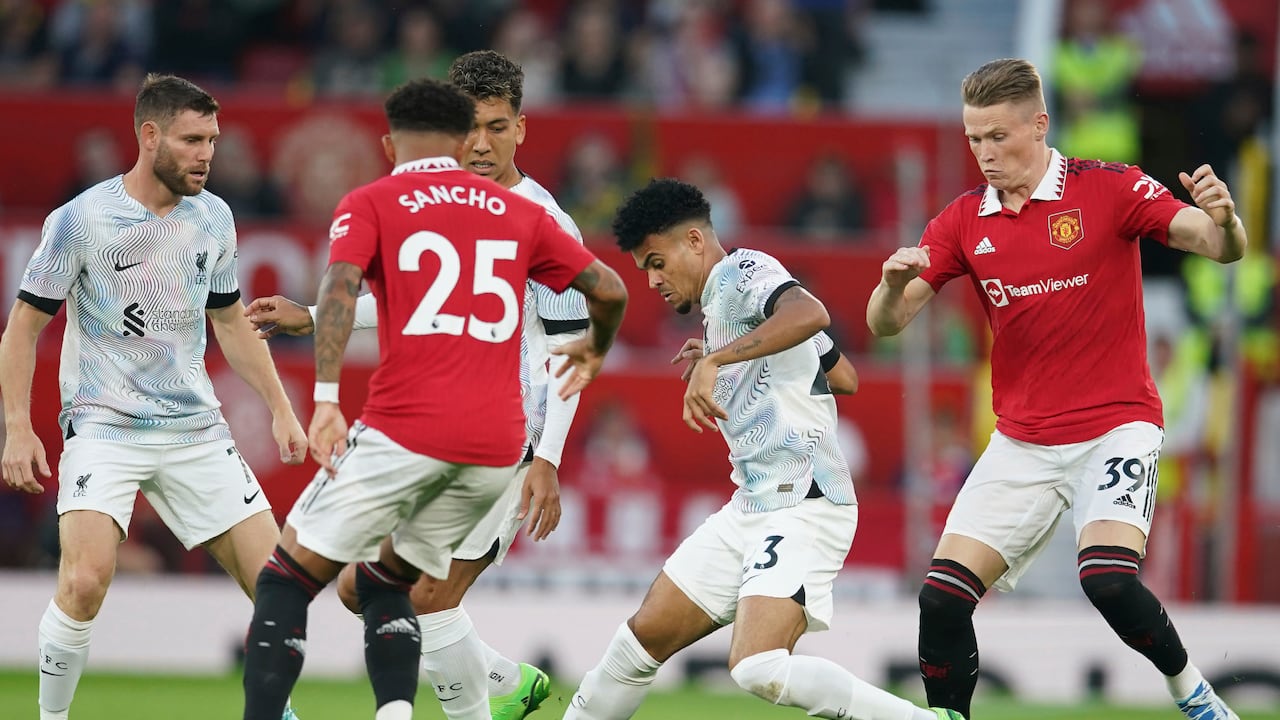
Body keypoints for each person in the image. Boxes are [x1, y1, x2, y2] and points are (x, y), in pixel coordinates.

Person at [866, 58, 1247, 720]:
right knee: (941, 599)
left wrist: (1227, 220)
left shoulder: (1110, 188)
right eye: (973, 139)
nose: (985, 153)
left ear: (1039, 125)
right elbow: (887, 323)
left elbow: (1217, 244)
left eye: (998, 136)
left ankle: (1193, 692)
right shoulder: (962, 220)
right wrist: (891, 285)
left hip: (1116, 427)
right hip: (1023, 441)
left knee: (1107, 579)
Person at [239, 78, 628, 720]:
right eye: (471, 129)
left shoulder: (539, 215)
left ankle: (477, 697)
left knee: (413, 595)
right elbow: (421, 299)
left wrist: (549, 458)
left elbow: (568, 342)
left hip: (511, 438)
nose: (481, 145)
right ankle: (506, 681)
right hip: (463, 435)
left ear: (520, 129)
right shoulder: (476, 211)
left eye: (497, 128)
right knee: (363, 588)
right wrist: (310, 316)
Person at [563, 177, 960, 720]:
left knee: (757, 666)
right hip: (751, 507)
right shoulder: (723, 309)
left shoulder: (743, 271)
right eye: (644, 269)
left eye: (657, 262)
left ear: (695, 242)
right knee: (637, 644)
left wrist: (718, 360)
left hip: (804, 503)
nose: (653, 280)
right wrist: (737, 352)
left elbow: (810, 314)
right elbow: (842, 376)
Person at [0, 73, 308, 720]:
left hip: (195, 430)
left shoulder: (214, 218)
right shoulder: (80, 221)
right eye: (192, 140)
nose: (206, 155)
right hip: (103, 425)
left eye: (212, 141)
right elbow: (23, 328)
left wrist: (281, 407)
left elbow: (230, 322)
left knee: (280, 591)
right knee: (84, 581)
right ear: (149, 136)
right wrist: (17, 427)